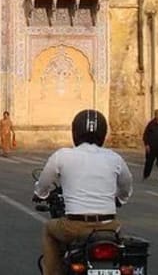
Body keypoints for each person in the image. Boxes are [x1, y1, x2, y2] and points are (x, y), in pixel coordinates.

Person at [34, 109, 133, 275]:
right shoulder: (114, 158)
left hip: (74, 227)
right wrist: (119, 200)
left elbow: (43, 183)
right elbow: (126, 186)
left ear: (75, 132)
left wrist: (40, 194)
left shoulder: (62, 156)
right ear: (103, 133)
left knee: (49, 229)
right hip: (109, 226)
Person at [142, 109, 158, 183]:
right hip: (151, 147)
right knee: (149, 162)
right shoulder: (151, 124)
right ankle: (146, 175)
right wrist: (146, 145)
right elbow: (145, 135)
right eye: (157, 115)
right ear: (155, 115)